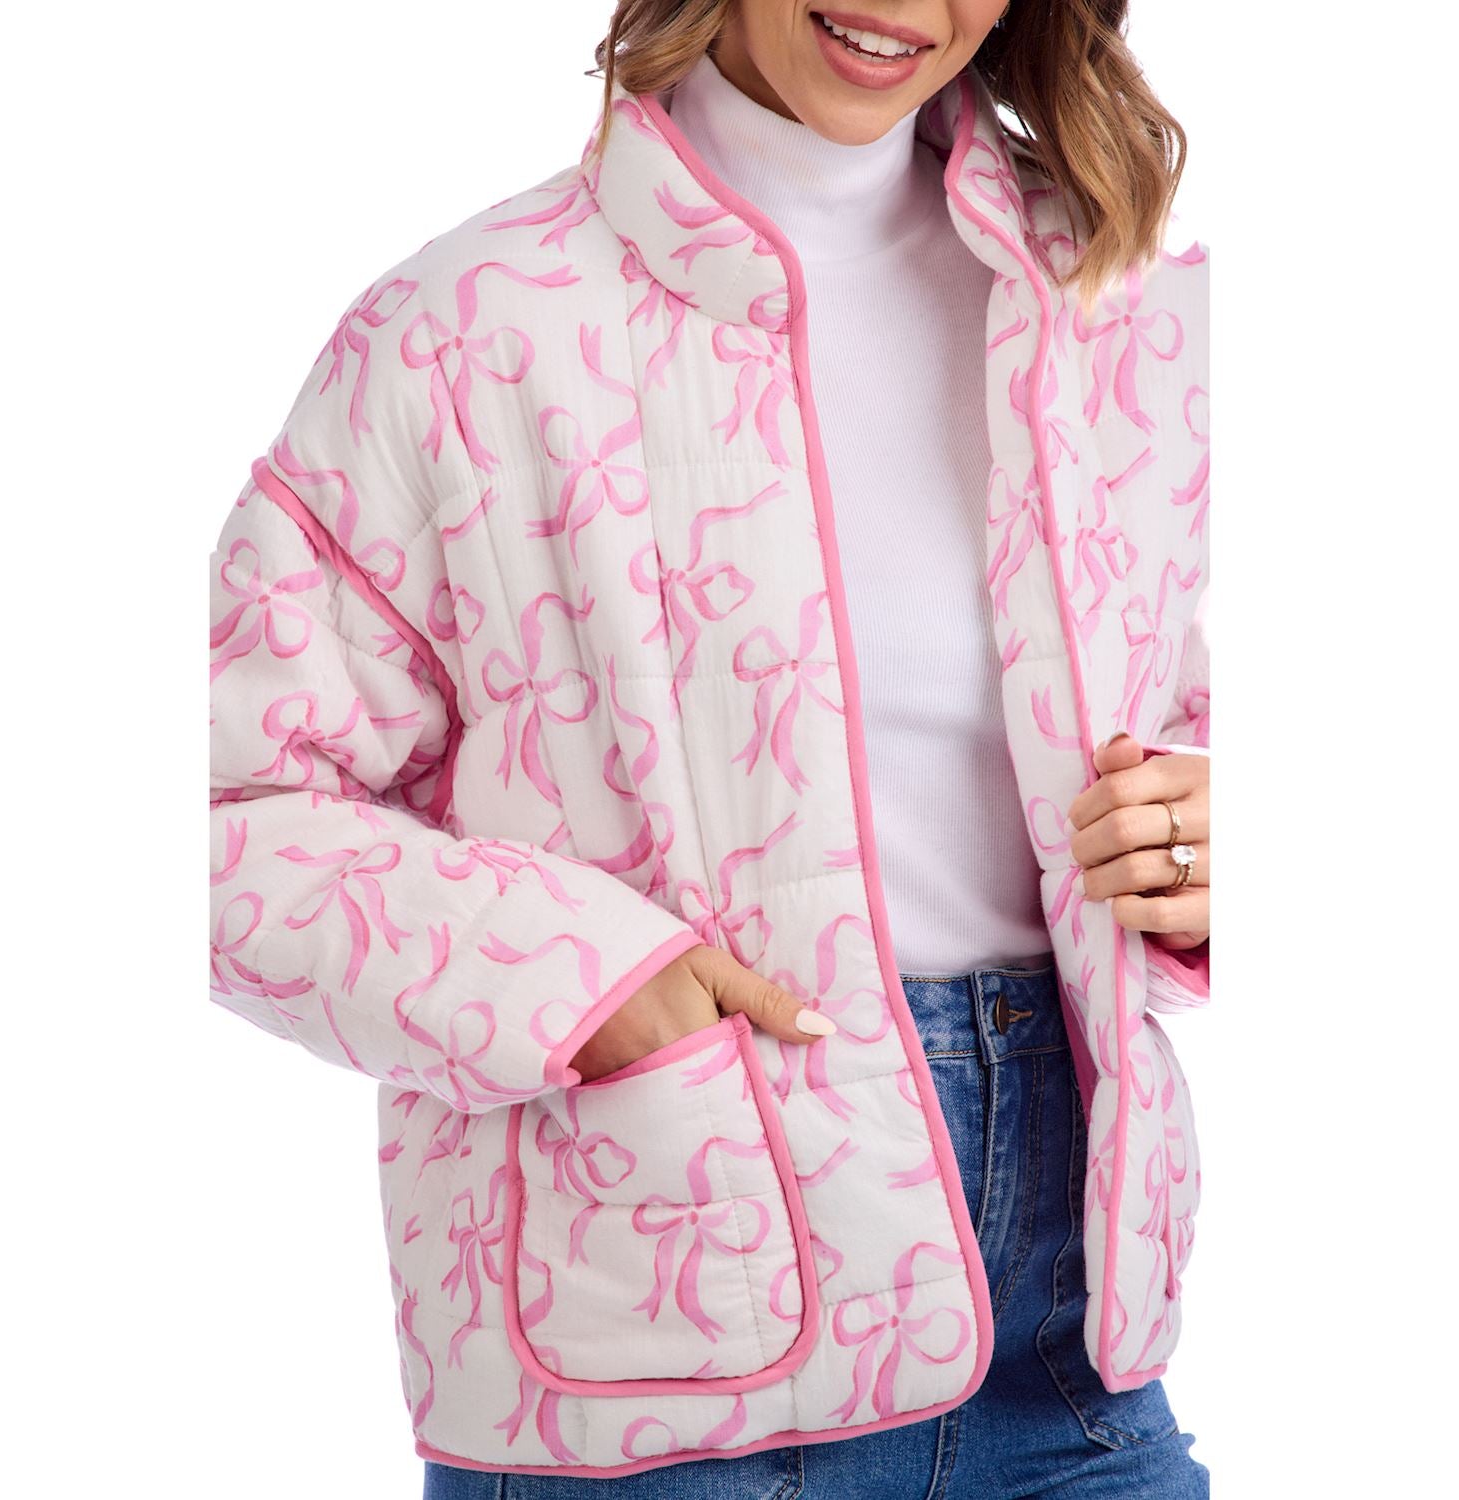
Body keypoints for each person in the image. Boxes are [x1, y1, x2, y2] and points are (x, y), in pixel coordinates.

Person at [208, 2, 1212, 1494]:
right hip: (662, 1365)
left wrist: (1211, 844)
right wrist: (579, 982)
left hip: (1072, 1351)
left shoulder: (1105, 297)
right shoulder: (469, 330)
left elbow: (1198, 698)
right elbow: (221, 813)